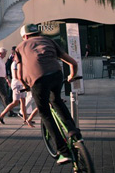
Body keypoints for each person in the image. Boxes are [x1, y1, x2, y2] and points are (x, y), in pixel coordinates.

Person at [18, 23, 80, 165]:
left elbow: (20, 75)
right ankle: (74, 132)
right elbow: (73, 63)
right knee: (57, 100)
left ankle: (63, 152)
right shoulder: (49, 41)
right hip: (57, 75)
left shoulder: (21, 47)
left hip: (38, 80)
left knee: (45, 113)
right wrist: (71, 76)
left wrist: (26, 86)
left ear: (25, 36)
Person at [0, 48, 37, 126]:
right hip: (17, 84)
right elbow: (16, 76)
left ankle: (25, 119)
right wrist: (24, 81)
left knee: (23, 101)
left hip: (21, 84)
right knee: (15, 102)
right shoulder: (15, 64)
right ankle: (1, 115)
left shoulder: (20, 63)